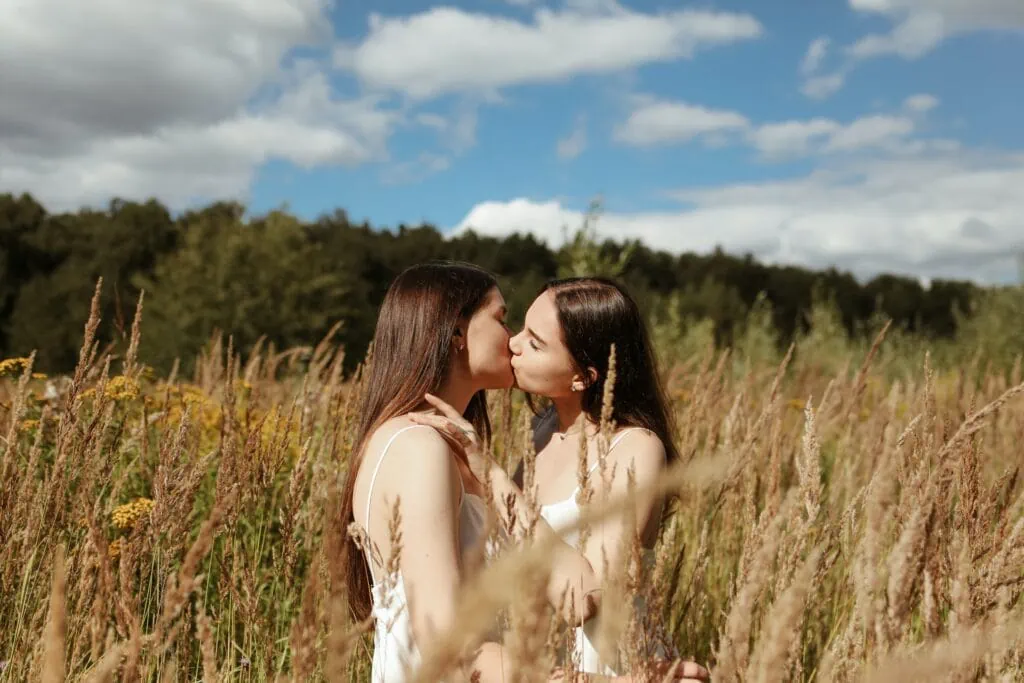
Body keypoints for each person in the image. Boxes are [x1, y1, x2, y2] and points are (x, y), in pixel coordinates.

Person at [340, 263, 707, 683]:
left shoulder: (620, 446)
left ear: (584, 376)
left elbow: (575, 595)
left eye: (533, 341)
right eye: (503, 320)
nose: (512, 341)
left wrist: (490, 472)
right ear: (456, 334)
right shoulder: (423, 447)